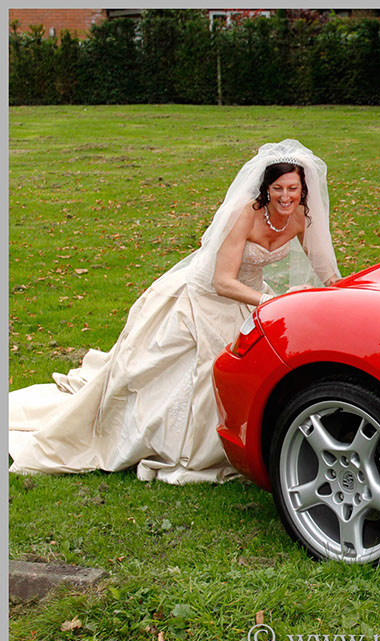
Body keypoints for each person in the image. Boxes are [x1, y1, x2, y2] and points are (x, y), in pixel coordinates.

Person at [8, 139, 340, 485]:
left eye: (292, 188)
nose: (285, 196)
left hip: (251, 297)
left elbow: (325, 269)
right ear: (265, 188)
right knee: (202, 371)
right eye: (278, 188)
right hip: (206, 298)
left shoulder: (301, 217)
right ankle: (177, 444)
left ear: (303, 189)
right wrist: (271, 302)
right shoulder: (245, 214)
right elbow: (222, 282)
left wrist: (340, 292)